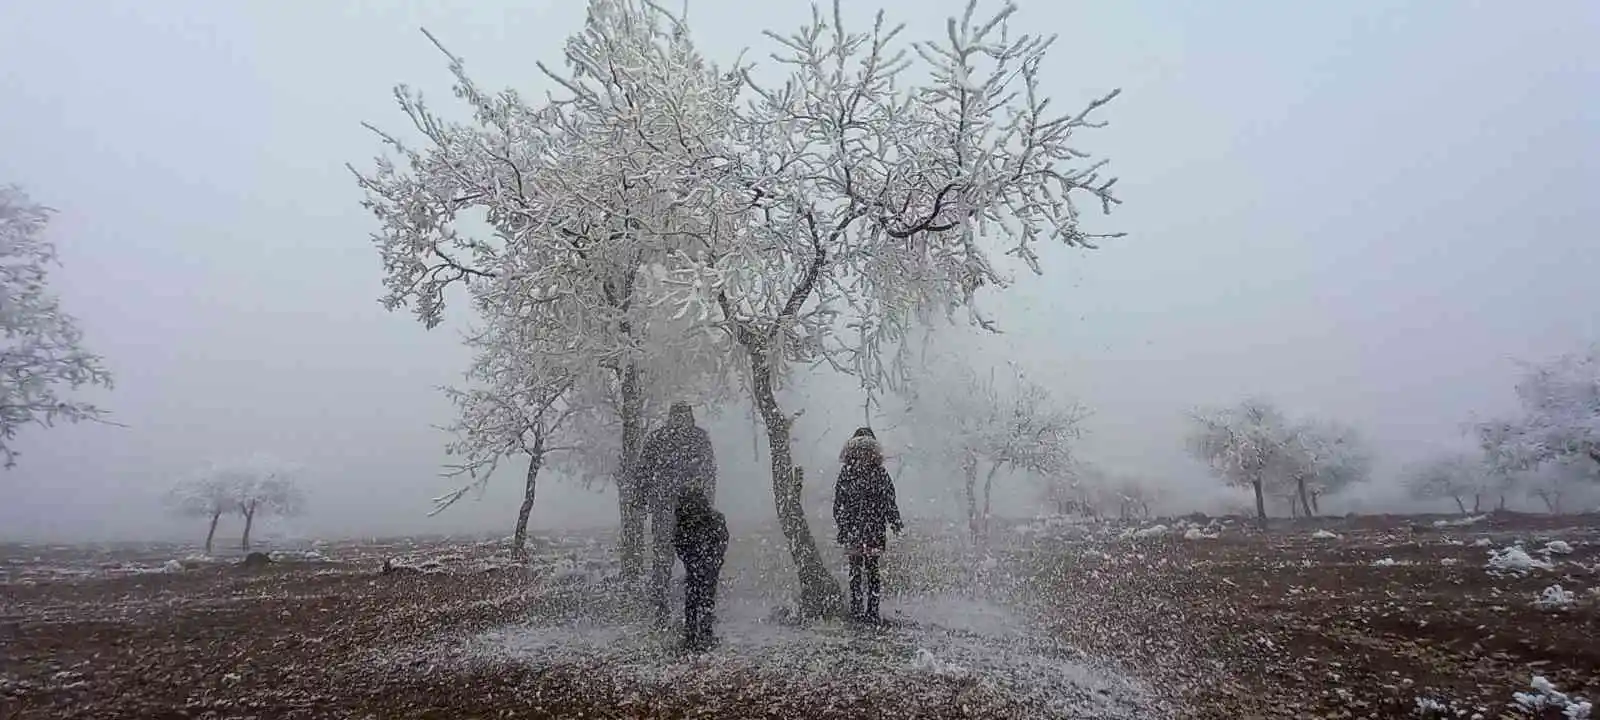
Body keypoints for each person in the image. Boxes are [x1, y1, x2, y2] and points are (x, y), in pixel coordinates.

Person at [635, 401, 718, 626]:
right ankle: (663, 605)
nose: (680, 421)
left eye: (684, 416)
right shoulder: (659, 439)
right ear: (671, 417)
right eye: (677, 416)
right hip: (668, 506)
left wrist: (707, 503)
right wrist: (640, 498)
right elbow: (643, 471)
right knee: (666, 557)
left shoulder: (697, 438)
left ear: (689, 417)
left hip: (691, 508)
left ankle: (697, 606)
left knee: (692, 558)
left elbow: (709, 472)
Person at [832, 427, 903, 623]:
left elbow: (839, 504)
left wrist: (844, 526)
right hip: (870, 528)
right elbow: (888, 501)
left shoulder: (849, 473)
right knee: (868, 570)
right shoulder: (877, 473)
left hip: (861, 529)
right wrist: (895, 521)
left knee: (860, 570)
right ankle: (868, 611)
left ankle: (862, 610)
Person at [673, 486, 728, 651]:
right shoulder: (686, 521)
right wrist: (693, 562)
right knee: (698, 596)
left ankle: (699, 632)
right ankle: (697, 632)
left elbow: (721, 542)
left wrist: (710, 561)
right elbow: (679, 544)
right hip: (699, 561)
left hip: (706, 561)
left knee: (699, 596)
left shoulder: (712, 519)